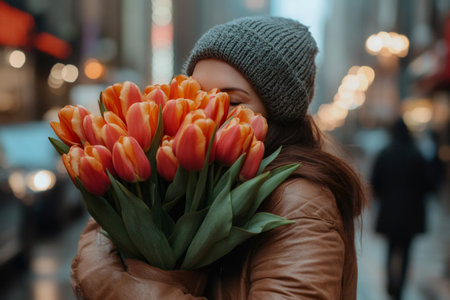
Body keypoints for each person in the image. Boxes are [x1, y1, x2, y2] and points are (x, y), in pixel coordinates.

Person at [70, 16, 367, 299]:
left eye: (232, 101)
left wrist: (111, 286)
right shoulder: (175, 174)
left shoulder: (300, 202)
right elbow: (105, 230)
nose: (206, 115)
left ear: (276, 113)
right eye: (197, 96)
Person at [371, 118, 432, 300]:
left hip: (390, 210)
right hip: (411, 212)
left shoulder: (385, 153)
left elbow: (375, 182)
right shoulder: (416, 154)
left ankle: (390, 283)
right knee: (406, 251)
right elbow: (428, 184)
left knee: (390, 247)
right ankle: (400, 288)